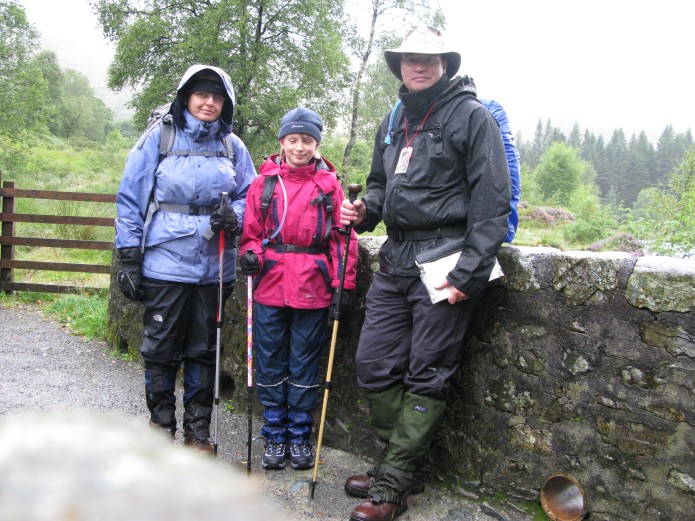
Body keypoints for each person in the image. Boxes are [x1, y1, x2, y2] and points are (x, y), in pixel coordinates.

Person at [339, 25, 512, 521]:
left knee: (428, 373)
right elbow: (378, 185)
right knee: (372, 364)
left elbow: (492, 199)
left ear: (445, 66)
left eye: (430, 59)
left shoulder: (471, 117)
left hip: (448, 259)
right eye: (410, 59)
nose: (419, 66)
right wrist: (363, 211)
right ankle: (400, 463)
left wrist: (470, 273)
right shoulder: (394, 118)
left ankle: (391, 484)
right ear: (399, 67)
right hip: (396, 259)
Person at [114, 64, 257, 454]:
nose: (209, 102)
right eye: (201, 95)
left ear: (225, 102)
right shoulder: (159, 138)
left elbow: (250, 195)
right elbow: (131, 197)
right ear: (186, 97)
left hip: (215, 267)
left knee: (203, 349)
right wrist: (128, 255)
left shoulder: (232, 147)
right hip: (165, 263)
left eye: (217, 96)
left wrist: (237, 216)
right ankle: (160, 429)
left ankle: (197, 435)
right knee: (160, 348)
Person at [238, 107, 358, 471]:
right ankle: (274, 434)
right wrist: (250, 255)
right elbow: (251, 233)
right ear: (282, 142)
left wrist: (344, 285)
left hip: (313, 285)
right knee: (271, 358)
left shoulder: (329, 186)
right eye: (293, 139)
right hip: (270, 282)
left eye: (307, 140)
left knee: (305, 360)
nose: (300, 147)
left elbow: (342, 238)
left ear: (317, 145)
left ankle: (299, 436)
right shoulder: (264, 183)